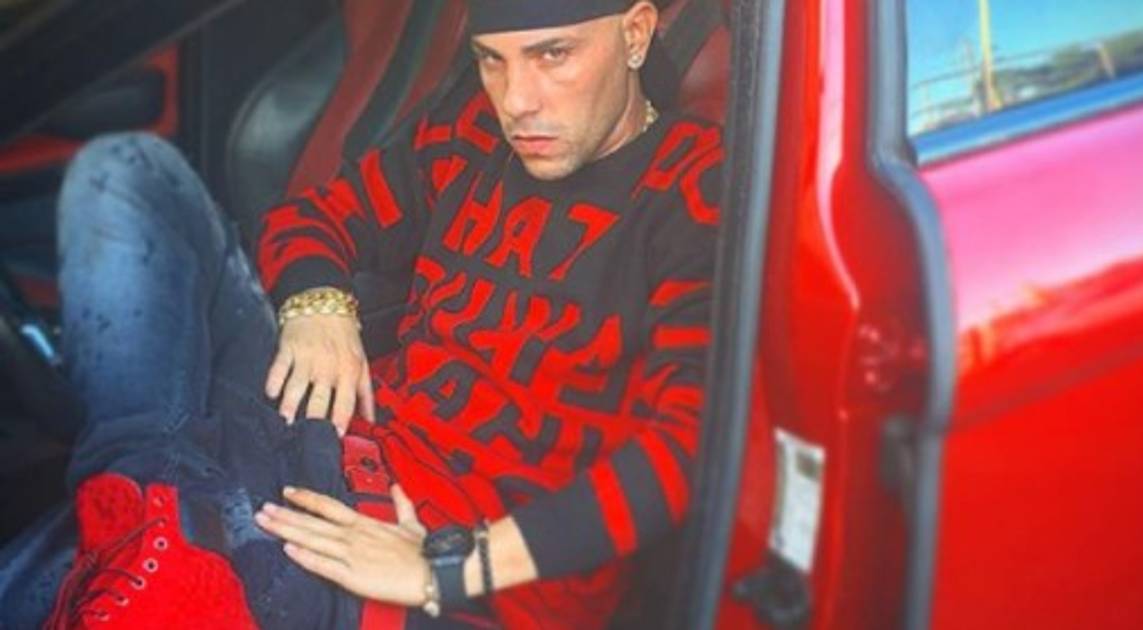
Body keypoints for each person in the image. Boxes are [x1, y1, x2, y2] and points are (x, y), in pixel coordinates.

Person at [0, 0, 722, 628]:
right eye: (491, 60)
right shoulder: (477, 134)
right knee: (129, 171)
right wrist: (319, 305)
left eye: (552, 56)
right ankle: (148, 506)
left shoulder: (695, 188)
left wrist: (449, 567)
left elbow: (692, 444)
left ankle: (149, 506)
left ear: (635, 34)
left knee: (122, 555)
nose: (517, 101)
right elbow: (316, 216)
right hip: (328, 434)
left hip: (432, 554)